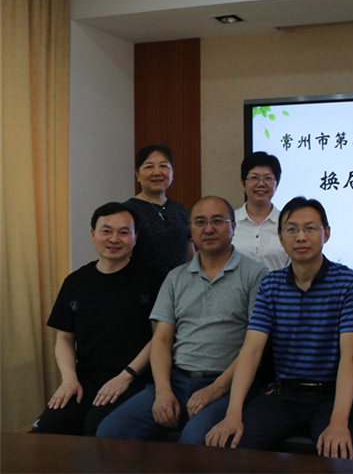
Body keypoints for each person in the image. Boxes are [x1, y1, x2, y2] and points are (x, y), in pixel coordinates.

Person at [96, 196, 268, 444]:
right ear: (190, 229)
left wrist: (216, 389)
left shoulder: (256, 275)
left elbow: (254, 348)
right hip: (175, 381)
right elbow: (161, 340)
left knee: (194, 441)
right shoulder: (176, 277)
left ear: (233, 227)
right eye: (200, 222)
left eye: (218, 221)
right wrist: (163, 391)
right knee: (110, 431)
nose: (209, 229)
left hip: (227, 385)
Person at [205, 197, 353, 458]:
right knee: (229, 446)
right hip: (284, 396)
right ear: (280, 238)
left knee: (337, 456)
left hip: (332, 397)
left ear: (326, 233)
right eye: (291, 229)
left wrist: (338, 423)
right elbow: (251, 351)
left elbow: (351, 356)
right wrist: (232, 415)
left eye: (310, 228)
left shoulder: (349, 283)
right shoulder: (271, 285)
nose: (301, 237)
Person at [33, 203, 164, 436]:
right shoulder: (75, 282)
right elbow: (64, 338)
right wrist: (69, 379)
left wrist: (126, 376)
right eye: (106, 231)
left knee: (95, 429)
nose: (114, 239)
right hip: (86, 379)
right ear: (93, 234)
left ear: (135, 238)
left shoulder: (154, 280)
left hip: (136, 379)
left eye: (124, 232)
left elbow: (160, 338)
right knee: (48, 428)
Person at [125, 145, 193, 275]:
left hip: (181, 284)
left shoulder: (180, 209)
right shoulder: (127, 211)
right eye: (149, 167)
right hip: (143, 284)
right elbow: (124, 258)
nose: (157, 172)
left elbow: (189, 255)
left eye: (163, 166)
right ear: (137, 175)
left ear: (172, 173)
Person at [232, 152, 289, 271]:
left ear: (276, 184)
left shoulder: (287, 224)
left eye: (268, 178)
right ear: (243, 183)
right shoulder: (230, 222)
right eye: (254, 178)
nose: (261, 184)